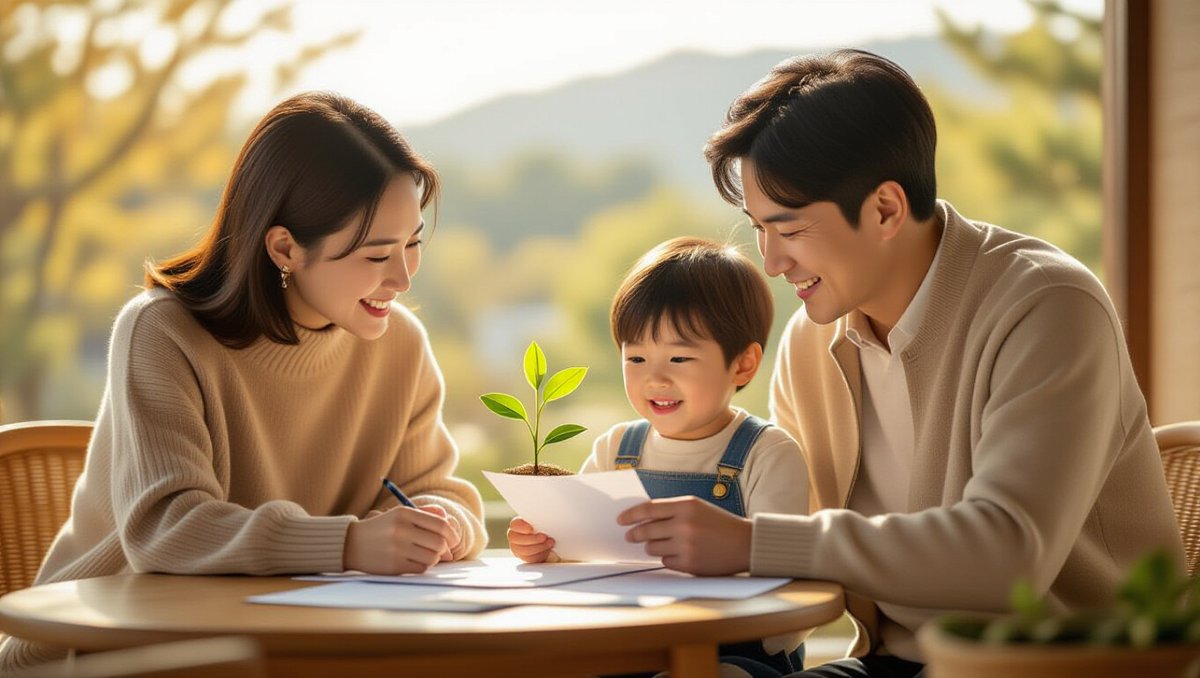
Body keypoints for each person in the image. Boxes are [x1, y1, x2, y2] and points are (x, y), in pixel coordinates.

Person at [616, 49, 1185, 678]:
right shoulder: (811, 342)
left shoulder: (1048, 306)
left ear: (885, 208)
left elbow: (1008, 553)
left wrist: (753, 543)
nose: (772, 262)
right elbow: (793, 529)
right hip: (896, 664)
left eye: (792, 229)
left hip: (1063, 667)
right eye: (759, 229)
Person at [0, 92, 486, 672]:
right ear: (285, 248)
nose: (403, 279)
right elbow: (165, 528)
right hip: (111, 648)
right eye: (377, 255)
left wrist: (441, 523)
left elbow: (434, 488)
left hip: (293, 638)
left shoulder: (399, 343)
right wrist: (350, 544)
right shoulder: (163, 332)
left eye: (413, 246)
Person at [509, 237, 810, 677]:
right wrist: (545, 549)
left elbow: (787, 583)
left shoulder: (767, 453)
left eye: (679, 356)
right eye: (636, 357)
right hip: (630, 645)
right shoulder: (616, 449)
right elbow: (581, 559)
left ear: (743, 365)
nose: (655, 378)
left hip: (736, 653)